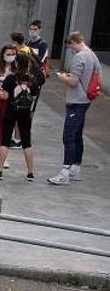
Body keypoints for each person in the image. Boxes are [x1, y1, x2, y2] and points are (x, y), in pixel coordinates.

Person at [48, 31, 102, 185]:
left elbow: (73, 82)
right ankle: (75, 168)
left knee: (69, 136)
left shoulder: (79, 57)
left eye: (70, 45)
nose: (70, 48)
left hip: (76, 99)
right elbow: (98, 73)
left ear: (73, 42)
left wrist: (62, 77)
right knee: (77, 135)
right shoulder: (92, 54)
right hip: (86, 99)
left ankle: (65, 171)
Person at [0, 54, 41, 181]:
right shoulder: (33, 79)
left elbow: (5, 96)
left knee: (5, 141)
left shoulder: (10, 78)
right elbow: (34, 95)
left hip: (10, 112)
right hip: (25, 113)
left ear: (16, 64)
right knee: (27, 142)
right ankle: (30, 173)